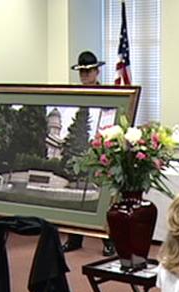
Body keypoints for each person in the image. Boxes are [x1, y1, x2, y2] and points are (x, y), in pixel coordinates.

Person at [61, 50, 116, 257]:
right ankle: (74, 238)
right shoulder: (75, 96)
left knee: (105, 198)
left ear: (97, 72)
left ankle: (109, 241)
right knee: (78, 197)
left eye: (88, 72)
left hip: (102, 150)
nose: (84, 76)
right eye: (81, 72)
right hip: (81, 150)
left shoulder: (110, 95)